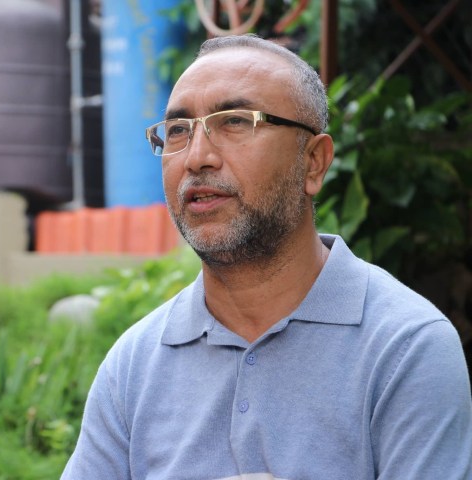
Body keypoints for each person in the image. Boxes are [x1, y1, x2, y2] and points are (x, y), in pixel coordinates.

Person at [61, 34, 472, 479]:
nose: (197, 157)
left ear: (313, 162)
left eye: (235, 122)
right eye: (178, 130)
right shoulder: (135, 363)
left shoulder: (404, 346)